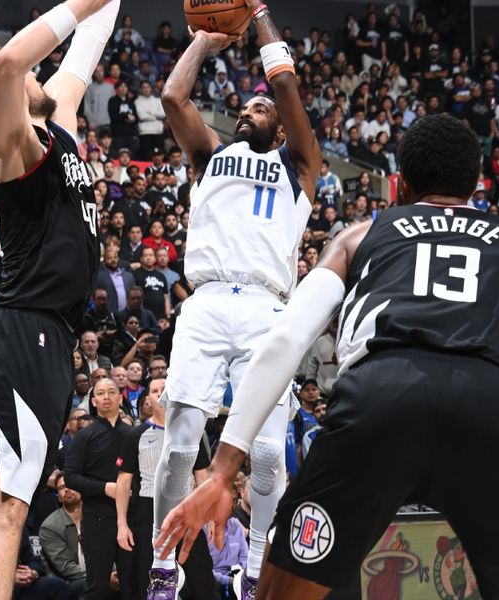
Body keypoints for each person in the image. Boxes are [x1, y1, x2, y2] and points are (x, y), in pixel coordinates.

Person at [156, 115, 499, 600]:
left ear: (401, 185)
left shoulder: (358, 236)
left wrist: (222, 471)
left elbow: (283, 340)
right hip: (489, 411)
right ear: (474, 183)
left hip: (378, 402)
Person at [151, 3, 320, 596]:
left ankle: (253, 564)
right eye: (245, 107)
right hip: (206, 300)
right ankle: (163, 566)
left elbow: (287, 87)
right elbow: (174, 99)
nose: (250, 111)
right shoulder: (210, 156)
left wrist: (259, 13)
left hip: (268, 308)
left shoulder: (300, 166)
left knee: (270, 454)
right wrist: (201, 40)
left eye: (261, 109)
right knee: (176, 452)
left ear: (279, 128)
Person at [0, 2, 114, 598]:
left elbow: (91, 39)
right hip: (21, 331)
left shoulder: (58, 123)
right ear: (8, 88)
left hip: (49, 337)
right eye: (32, 73)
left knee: (8, 500)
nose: (44, 76)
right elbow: (10, 62)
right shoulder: (6, 144)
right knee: (6, 506)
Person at [116, 376, 215, 600]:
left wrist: (207, 516)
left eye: (164, 389)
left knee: (202, 579)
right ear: (148, 398)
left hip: (188, 509)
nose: (160, 394)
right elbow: (123, 482)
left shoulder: (191, 433)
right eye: (154, 390)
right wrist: (122, 524)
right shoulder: (135, 435)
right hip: (148, 509)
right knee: (150, 579)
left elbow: (202, 476)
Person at [64, 377, 132, 599]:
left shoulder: (133, 435)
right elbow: (71, 477)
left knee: (133, 584)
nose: (106, 397)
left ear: (120, 396)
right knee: (97, 587)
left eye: (111, 392)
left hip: (132, 518)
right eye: (101, 393)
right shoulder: (84, 436)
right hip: (97, 519)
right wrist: (107, 488)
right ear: (93, 401)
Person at [39, 473, 86, 597]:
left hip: (101, 576)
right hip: (69, 582)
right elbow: (66, 567)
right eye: (61, 488)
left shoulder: (96, 518)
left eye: (71, 485)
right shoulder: (50, 526)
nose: (67, 489)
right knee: (88, 585)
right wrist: (102, 578)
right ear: (58, 497)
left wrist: (113, 574)